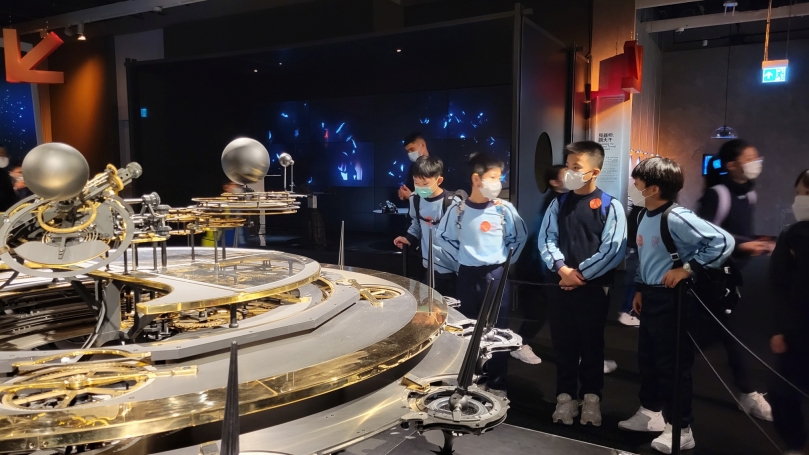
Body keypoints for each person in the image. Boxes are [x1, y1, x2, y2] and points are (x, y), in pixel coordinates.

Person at [619, 157, 734, 454]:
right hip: (652, 296)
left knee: (673, 365)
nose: (633, 186)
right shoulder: (644, 215)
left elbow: (723, 242)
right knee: (648, 359)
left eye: (637, 181)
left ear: (654, 188)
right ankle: (651, 412)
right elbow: (646, 258)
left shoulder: (677, 217)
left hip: (674, 299)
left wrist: (688, 268)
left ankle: (681, 428)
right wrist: (640, 288)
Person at [537, 141, 627, 427]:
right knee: (562, 343)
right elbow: (546, 238)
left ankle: (591, 398)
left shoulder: (611, 205)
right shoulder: (559, 202)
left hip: (593, 289)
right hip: (560, 285)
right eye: (568, 166)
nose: (570, 172)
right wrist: (562, 269)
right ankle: (564, 396)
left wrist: (580, 276)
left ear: (594, 171)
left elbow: (613, 249)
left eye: (576, 167)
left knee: (592, 344)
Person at [436, 152, 527, 395]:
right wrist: (463, 256)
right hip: (467, 276)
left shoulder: (504, 209)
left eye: (500, 177)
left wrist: (506, 262)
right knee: (468, 329)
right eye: (493, 177)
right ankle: (470, 379)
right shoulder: (458, 210)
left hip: (496, 276)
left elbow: (519, 237)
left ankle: (497, 382)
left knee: (497, 331)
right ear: (476, 179)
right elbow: (443, 237)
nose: (498, 183)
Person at [696, 139, 773, 421]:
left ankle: (660, 377)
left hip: (732, 277)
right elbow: (704, 235)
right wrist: (742, 245)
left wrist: (754, 242)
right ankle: (747, 392)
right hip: (712, 277)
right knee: (729, 333)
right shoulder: (717, 195)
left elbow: (738, 232)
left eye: (756, 157)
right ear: (731, 165)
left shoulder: (748, 195)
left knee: (708, 335)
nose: (756, 163)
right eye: (749, 158)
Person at [768, 169, 809, 455]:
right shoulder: (793, 235)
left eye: (803, 193)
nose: (799, 200)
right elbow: (780, 285)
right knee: (782, 393)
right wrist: (780, 329)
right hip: (797, 329)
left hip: (797, 328)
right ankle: (797, 444)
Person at [510, 164, 566, 365]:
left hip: (544, 268)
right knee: (538, 313)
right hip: (538, 269)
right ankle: (519, 345)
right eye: (567, 173)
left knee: (553, 313)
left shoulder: (561, 199)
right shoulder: (555, 202)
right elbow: (543, 239)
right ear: (554, 182)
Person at [394, 156, 461, 297]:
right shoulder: (415, 198)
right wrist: (409, 238)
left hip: (452, 269)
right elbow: (416, 223)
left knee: (450, 307)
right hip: (428, 267)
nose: (420, 188)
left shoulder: (452, 202)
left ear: (439, 180)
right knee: (428, 306)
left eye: (425, 184)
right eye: (416, 183)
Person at [618, 194, 643, 327]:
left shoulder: (635, 200)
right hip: (633, 243)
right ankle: (626, 310)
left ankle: (627, 310)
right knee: (631, 279)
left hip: (632, 242)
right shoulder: (641, 204)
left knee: (631, 279)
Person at [398, 133, 429, 201]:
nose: (410, 153)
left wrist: (411, 197)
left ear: (423, 144)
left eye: (412, 149)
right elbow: (411, 192)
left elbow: (437, 196)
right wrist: (404, 194)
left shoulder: (437, 165)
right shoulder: (412, 168)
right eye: (408, 151)